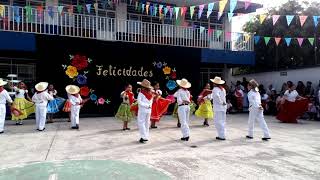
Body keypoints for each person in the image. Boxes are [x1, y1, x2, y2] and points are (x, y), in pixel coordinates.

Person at [136, 79, 153, 143]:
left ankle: (144, 137)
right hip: (149, 110)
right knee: (147, 123)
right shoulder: (151, 94)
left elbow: (139, 102)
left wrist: (146, 105)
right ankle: (146, 136)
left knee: (141, 122)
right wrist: (148, 106)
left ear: (143, 87)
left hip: (143, 109)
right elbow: (151, 103)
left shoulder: (141, 93)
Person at [211, 77, 227, 141]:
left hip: (218, 107)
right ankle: (222, 134)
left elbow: (217, 97)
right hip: (223, 107)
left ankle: (222, 136)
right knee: (222, 121)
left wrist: (220, 102)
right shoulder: (223, 89)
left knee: (218, 122)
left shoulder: (215, 89)